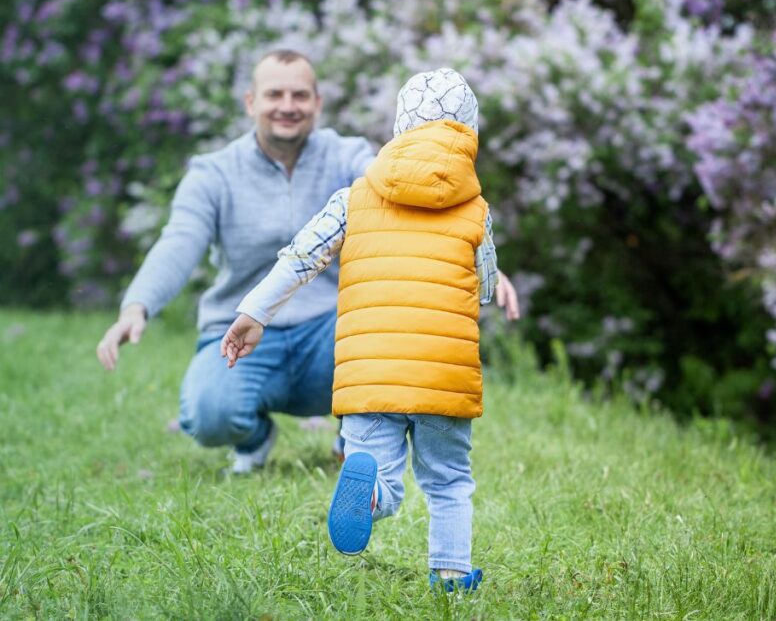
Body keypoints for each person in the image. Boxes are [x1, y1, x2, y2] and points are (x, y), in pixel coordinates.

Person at [96, 52, 519, 474]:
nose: (287, 105)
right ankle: (256, 438)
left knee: (391, 328)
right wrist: (138, 306)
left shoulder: (349, 156)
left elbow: (414, 198)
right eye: (274, 94)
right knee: (209, 414)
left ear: (317, 103)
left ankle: (353, 439)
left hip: (331, 332)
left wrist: (483, 259)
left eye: (299, 95)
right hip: (242, 332)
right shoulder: (213, 173)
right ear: (250, 102)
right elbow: (179, 242)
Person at [221, 68, 492, 591]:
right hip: (442, 380)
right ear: (467, 135)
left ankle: (369, 497)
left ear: (399, 127)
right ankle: (452, 575)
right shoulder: (476, 210)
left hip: (369, 375)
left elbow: (302, 257)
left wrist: (255, 312)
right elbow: (483, 286)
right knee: (448, 481)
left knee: (382, 474)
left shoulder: (354, 197)